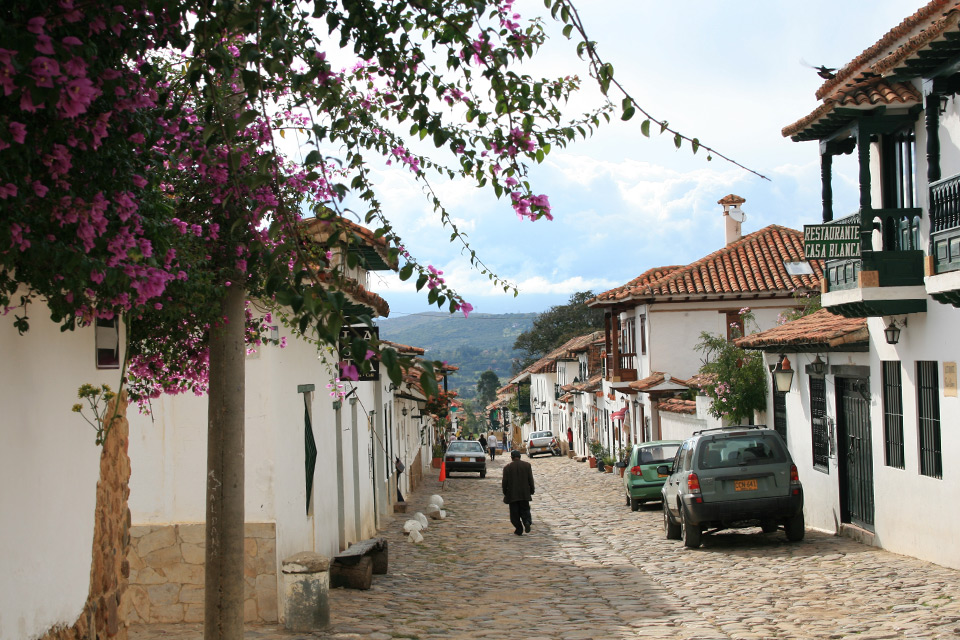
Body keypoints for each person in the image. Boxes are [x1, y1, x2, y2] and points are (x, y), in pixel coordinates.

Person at [502, 450, 535, 536]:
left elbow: (504, 482)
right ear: (520, 456)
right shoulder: (527, 465)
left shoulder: (507, 468)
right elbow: (530, 480)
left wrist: (505, 492)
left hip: (512, 494)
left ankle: (519, 528)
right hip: (524, 493)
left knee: (514, 514)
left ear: (511, 457)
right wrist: (532, 490)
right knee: (525, 510)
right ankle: (527, 522)